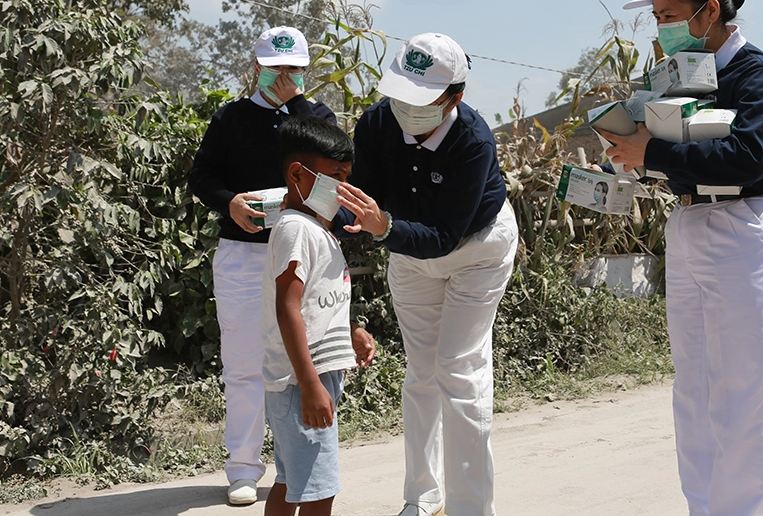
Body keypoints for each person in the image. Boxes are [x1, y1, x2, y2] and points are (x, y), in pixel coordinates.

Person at [598, 0, 763, 516]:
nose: (662, 30)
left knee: (738, 390)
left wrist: (652, 152)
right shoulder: (686, 76)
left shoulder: (755, 74)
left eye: (668, 16)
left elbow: (749, 157)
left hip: (743, 226)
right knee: (692, 387)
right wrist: (631, 152)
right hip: (689, 222)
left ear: (709, 12)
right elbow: (673, 146)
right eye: (656, 19)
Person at [332, 32, 518, 516]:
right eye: (399, 95)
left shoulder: (473, 141)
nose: (404, 109)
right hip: (408, 251)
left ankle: (471, 507)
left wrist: (383, 225)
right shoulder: (377, 122)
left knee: (458, 369)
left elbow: (443, 235)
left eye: (420, 100)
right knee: (421, 373)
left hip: (476, 250)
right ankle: (422, 496)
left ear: (455, 96)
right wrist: (320, 216)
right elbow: (363, 195)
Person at [188, 26, 336, 506]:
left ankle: (295, 472)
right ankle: (243, 469)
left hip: (301, 253)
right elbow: (201, 176)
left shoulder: (316, 117)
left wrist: (296, 108)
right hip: (244, 254)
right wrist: (228, 202)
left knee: (304, 361)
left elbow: (335, 177)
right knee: (245, 363)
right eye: (277, 68)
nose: (286, 76)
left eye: (295, 69)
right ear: (258, 65)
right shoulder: (231, 118)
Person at [261, 116, 376, 516]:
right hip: (300, 379)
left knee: (293, 479)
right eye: (335, 176)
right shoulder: (297, 229)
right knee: (317, 489)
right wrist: (310, 384)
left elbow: (315, 301)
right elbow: (286, 307)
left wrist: (351, 331)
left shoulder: (314, 227)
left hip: (305, 376)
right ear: (297, 174)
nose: (343, 188)